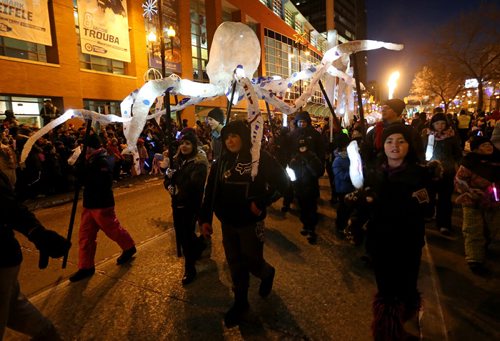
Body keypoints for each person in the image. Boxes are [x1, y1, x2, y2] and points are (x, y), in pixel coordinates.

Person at [199, 120, 289, 328]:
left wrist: (262, 201)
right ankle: (241, 303)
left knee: (252, 261)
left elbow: (283, 182)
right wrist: (205, 218)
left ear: (244, 137)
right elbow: (210, 192)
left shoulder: (260, 158)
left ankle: (267, 273)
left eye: (234, 136)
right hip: (228, 223)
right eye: (226, 137)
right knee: (235, 263)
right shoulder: (220, 162)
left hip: (250, 223)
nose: (230, 141)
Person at [360, 124, 441, 340]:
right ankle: (387, 331)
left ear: (408, 145)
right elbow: (365, 205)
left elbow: (426, 206)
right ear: (383, 146)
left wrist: (393, 201)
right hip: (380, 240)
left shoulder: (420, 174)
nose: (394, 145)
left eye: (400, 141)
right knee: (386, 289)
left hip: (408, 241)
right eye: (389, 141)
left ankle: (406, 317)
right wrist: (362, 200)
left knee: (406, 285)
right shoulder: (373, 172)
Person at [0, 169, 70, 340]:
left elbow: (8, 206)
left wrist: (37, 232)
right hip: (5, 256)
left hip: (1, 257)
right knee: (14, 308)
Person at [69, 133, 136, 282]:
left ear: (92, 148)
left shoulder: (102, 161)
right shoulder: (88, 159)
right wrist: (78, 173)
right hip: (89, 204)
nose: (83, 149)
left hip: (101, 204)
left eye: (85, 147)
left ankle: (129, 246)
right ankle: (85, 266)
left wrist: (84, 177)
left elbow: (102, 183)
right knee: (85, 236)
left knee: (112, 230)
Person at [164, 132, 208, 285]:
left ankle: (190, 268)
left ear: (194, 146)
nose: (184, 146)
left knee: (185, 236)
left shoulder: (199, 163)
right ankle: (199, 245)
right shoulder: (176, 161)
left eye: (188, 143)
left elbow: (195, 185)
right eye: (182, 143)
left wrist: (179, 189)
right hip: (177, 204)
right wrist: (169, 185)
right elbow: (167, 180)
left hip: (191, 205)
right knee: (182, 233)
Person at [454, 135, 500, 275]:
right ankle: (475, 260)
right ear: (476, 149)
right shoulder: (469, 162)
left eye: (489, 144)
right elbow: (459, 180)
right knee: (473, 230)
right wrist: (470, 191)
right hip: (472, 201)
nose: (488, 147)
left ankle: (484, 246)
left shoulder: (498, 161)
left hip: (493, 202)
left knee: (493, 228)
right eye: (483, 145)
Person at [422, 112, 462, 235]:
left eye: (442, 123)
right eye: (437, 123)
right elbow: (421, 151)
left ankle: (444, 223)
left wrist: (458, 167)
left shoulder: (451, 137)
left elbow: (457, 154)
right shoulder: (427, 136)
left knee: (445, 198)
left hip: (447, 171)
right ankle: (428, 214)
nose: (440, 126)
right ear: (432, 124)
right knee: (430, 195)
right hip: (430, 170)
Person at [289, 136, 324, 244]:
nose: (302, 148)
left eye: (304, 146)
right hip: (300, 188)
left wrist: (308, 164)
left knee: (311, 209)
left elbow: (319, 171)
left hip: (311, 188)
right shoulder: (295, 158)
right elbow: (291, 173)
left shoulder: (313, 157)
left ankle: (312, 230)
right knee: (303, 209)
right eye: (300, 146)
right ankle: (305, 225)